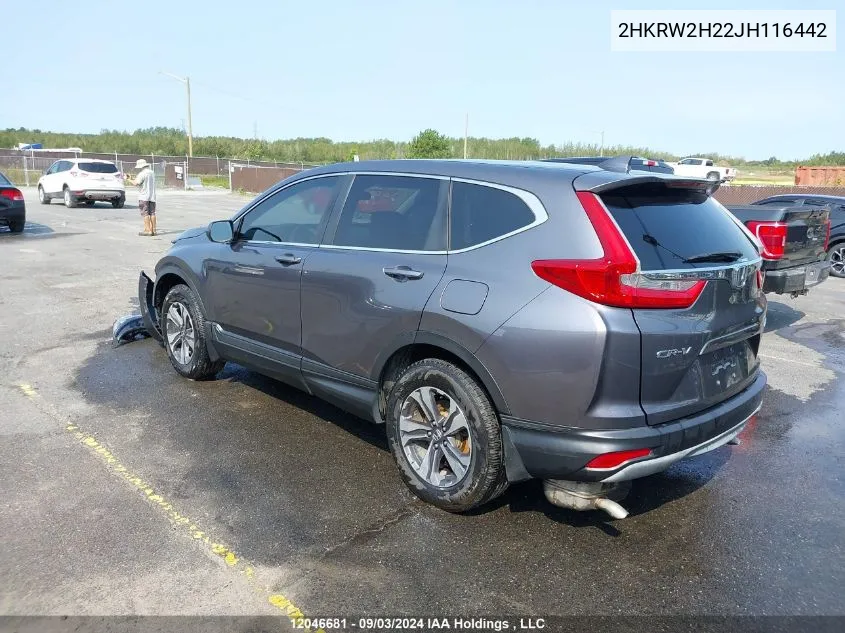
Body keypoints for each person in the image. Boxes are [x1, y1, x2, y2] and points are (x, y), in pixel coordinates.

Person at [128, 159, 157, 236]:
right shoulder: (152, 172)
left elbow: (136, 183)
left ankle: (148, 230)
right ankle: (154, 230)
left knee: (145, 213)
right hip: (152, 196)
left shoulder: (142, 173)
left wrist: (128, 179)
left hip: (144, 196)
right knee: (152, 213)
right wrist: (132, 178)